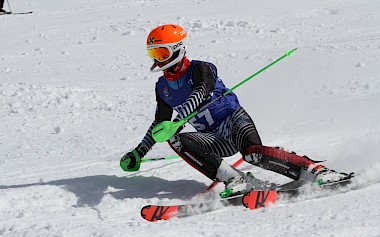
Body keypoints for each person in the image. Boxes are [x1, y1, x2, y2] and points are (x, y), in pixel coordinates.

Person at [120, 24, 351, 196]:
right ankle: (235, 179)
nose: (159, 61)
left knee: (253, 154)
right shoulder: (162, 87)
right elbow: (160, 124)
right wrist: (139, 152)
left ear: (178, 50)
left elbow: (201, 92)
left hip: (233, 122)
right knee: (176, 140)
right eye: (154, 55)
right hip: (212, 137)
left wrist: (179, 121)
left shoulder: (201, 68)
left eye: (162, 54)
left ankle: (315, 170)